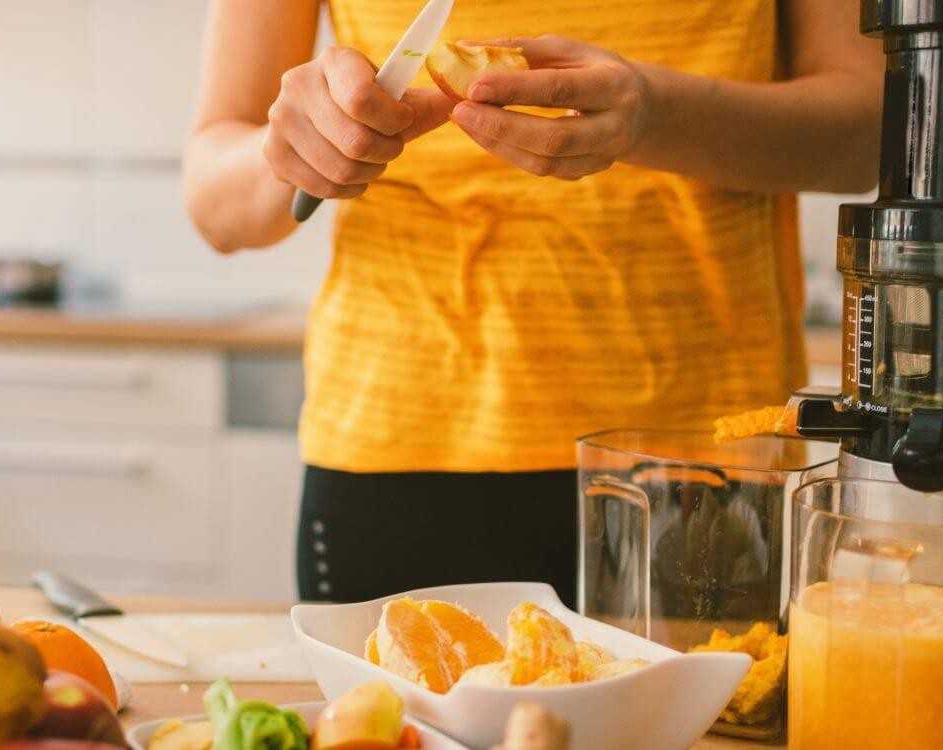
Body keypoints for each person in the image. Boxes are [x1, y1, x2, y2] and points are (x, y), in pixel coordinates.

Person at [183, 0, 881, 604]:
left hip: (707, 459)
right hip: (401, 450)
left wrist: (653, 116)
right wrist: (293, 151)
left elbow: (870, 132)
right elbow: (215, 201)